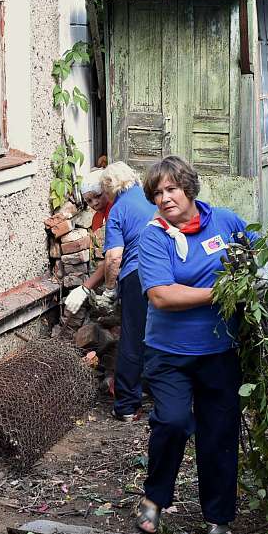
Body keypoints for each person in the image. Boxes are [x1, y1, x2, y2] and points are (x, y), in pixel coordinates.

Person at [134, 155, 258, 534]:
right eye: (157, 193)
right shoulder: (152, 236)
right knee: (171, 422)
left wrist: (255, 282)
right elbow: (162, 295)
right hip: (168, 352)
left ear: (188, 187)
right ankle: (155, 498)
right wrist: (220, 293)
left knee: (219, 432)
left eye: (171, 188)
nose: (165, 198)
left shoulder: (225, 222)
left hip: (219, 350)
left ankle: (218, 517)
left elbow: (254, 263)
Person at [98, 162, 156, 421]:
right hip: (165, 270)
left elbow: (113, 257)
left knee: (132, 339)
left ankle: (127, 406)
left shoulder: (118, 209)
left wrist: (110, 289)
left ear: (109, 188)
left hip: (137, 275)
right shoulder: (150, 198)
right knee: (158, 333)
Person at [63, 168, 112, 314]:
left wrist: (86, 287)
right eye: (89, 201)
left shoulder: (115, 211)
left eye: (98, 196)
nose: (95, 203)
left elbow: (113, 257)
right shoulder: (98, 217)